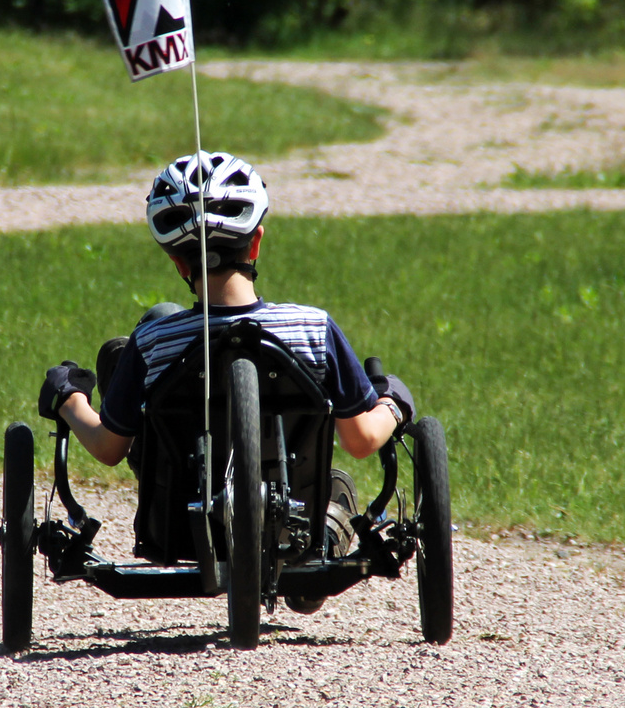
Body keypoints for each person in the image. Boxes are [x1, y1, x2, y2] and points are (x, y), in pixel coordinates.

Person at [37, 151, 414, 474]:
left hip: (182, 527)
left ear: (179, 265)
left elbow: (108, 448)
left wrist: (70, 397)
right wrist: (393, 403)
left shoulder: (153, 342)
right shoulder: (313, 328)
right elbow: (362, 440)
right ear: (256, 244)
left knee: (159, 318)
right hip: (296, 525)